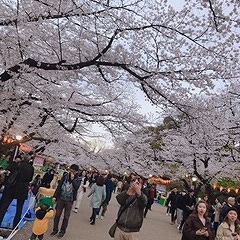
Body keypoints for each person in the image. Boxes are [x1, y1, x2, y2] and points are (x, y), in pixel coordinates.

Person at [0, 155, 34, 229]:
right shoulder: (31, 168)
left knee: (4, 206)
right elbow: (30, 179)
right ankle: (15, 227)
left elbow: (9, 174)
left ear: (22, 159)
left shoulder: (16, 165)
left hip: (12, 188)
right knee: (19, 209)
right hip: (23, 189)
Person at [50, 164, 80, 238]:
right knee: (57, 215)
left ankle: (62, 231)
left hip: (69, 200)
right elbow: (59, 186)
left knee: (66, 217)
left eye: (73, 171)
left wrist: (73, 179)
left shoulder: (78, 179)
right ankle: (55, 229)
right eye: (71, 170)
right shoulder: (65, 176)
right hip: (61, 198)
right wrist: (55, 196)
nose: (72, 172)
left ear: (76, 172)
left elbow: (76, 187)